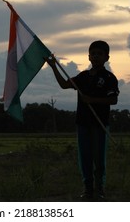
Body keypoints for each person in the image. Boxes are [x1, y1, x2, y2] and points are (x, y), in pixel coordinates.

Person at [45, 40, 119, 200]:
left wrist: (91, 99)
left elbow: (113, 100)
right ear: (88, 57)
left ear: (107, 57)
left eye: (100, 54)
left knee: (99, 158)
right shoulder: (83, 76)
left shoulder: (109, 78)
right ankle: (87, 189)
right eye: (93, 54)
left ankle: (99, 189)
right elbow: (64, 85)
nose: (96, 56)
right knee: (84, 157)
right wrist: (53, 66)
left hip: (100, 124)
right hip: (83, 124)